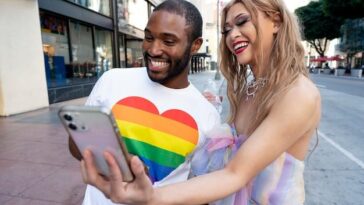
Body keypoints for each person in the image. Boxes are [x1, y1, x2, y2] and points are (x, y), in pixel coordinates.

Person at [81, 0, 321, 204]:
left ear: (276, 22)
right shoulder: (251, 89)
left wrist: (152, 197)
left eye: (242, 22)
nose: (232, 35)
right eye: (226, 30)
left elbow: (234, 173)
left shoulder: (298, 94)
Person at [70, 0, 221, 204]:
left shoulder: (208, 115)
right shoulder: (112, 79)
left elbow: (201, 184)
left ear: (195, 45)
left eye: (168, 41)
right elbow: (76, 147)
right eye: (149, 37)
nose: (153, 50)